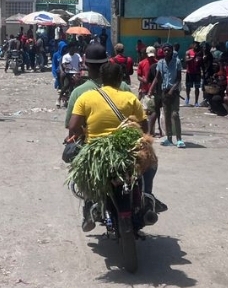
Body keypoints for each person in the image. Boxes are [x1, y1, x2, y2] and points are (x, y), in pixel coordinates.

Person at [66, 61, 164, 231]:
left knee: (85, 173)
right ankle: (147, 197)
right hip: (128, 150)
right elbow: (144, 128)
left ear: (101, 77)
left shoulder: (86, 97)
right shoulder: (130, 98)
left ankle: (89, 206)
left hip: (96, 150)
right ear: (121, 78)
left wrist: (84, 132)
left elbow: (73, 126)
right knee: (151, 163)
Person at [63, 43, 130, 126]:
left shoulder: (78, 92)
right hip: (122, 133)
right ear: (107, 62)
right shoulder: (123, 86)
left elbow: (71, 125)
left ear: (86, 64)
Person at [153, 45, 184, 147]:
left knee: (175, 114)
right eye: (165, 50)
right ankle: (169, 138)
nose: (166, 52)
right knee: (166, 115)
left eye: (168, 50)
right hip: (164, 92)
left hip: (174, 92)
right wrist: (151, 89)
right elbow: (157, 77)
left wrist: (172, 90)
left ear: (171, 51)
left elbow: (179, 79)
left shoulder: (177, 62)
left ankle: (179, 139)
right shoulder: (160, 63)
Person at [184, 43, 202, 107]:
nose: (196, 47)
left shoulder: (200, 53)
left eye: (198, 46)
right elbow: (186, 61)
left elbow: (201, 63)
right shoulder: (188, 52)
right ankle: (187, 98)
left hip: (197, 73)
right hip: (189, 72)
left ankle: (196, 102)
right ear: (193, 46)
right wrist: (193, 57)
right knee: (188, 87)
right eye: (195, 46)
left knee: (197, 87)